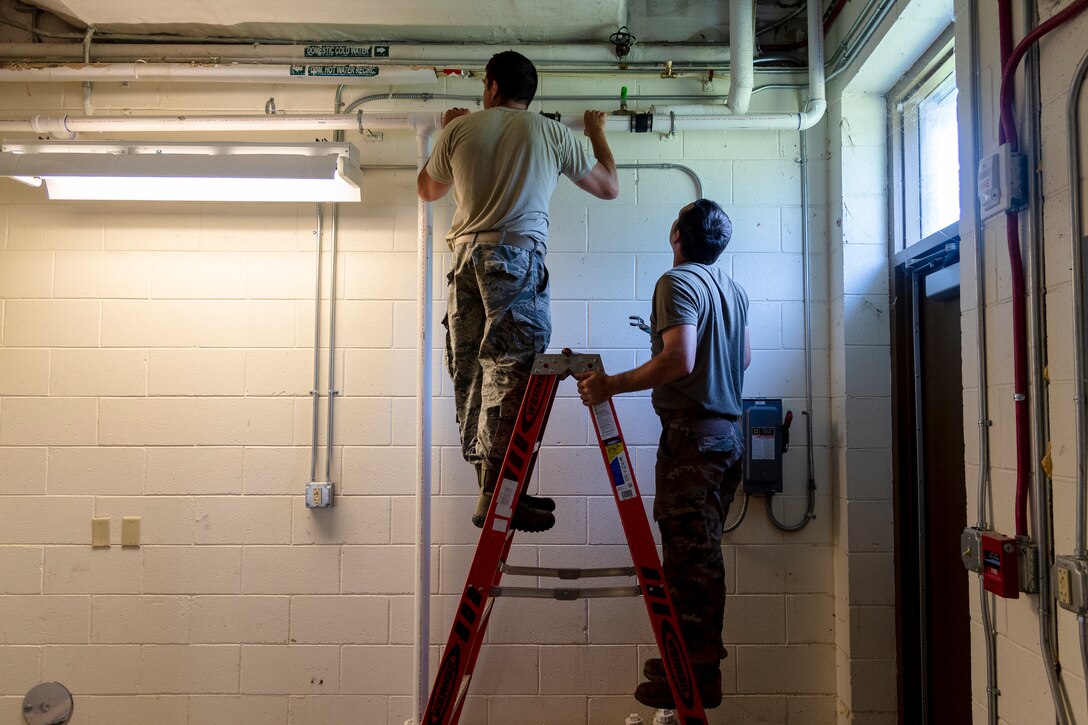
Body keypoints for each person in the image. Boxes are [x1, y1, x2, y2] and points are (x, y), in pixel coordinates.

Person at [417, 50, 619, 533]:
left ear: (489, 86)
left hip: (464, 260)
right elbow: (609, 186)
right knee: (512, 373)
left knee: (472, 375)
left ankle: (492, 488)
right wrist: (597, 134)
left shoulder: (460, 130)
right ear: (530, 95)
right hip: (514, 258)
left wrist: (447, 130)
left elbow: (428, 190)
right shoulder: (551, 134)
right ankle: (500, 494)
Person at [574, 199, 749, 710]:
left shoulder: (677, 283)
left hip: (693, 438)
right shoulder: (732, 291)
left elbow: (679, 358)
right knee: (702, 553)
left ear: (676, 233)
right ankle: (699, 665)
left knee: (689, 557)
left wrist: (609, 385)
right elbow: (742, 359)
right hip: (726, 437)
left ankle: (692, 673)